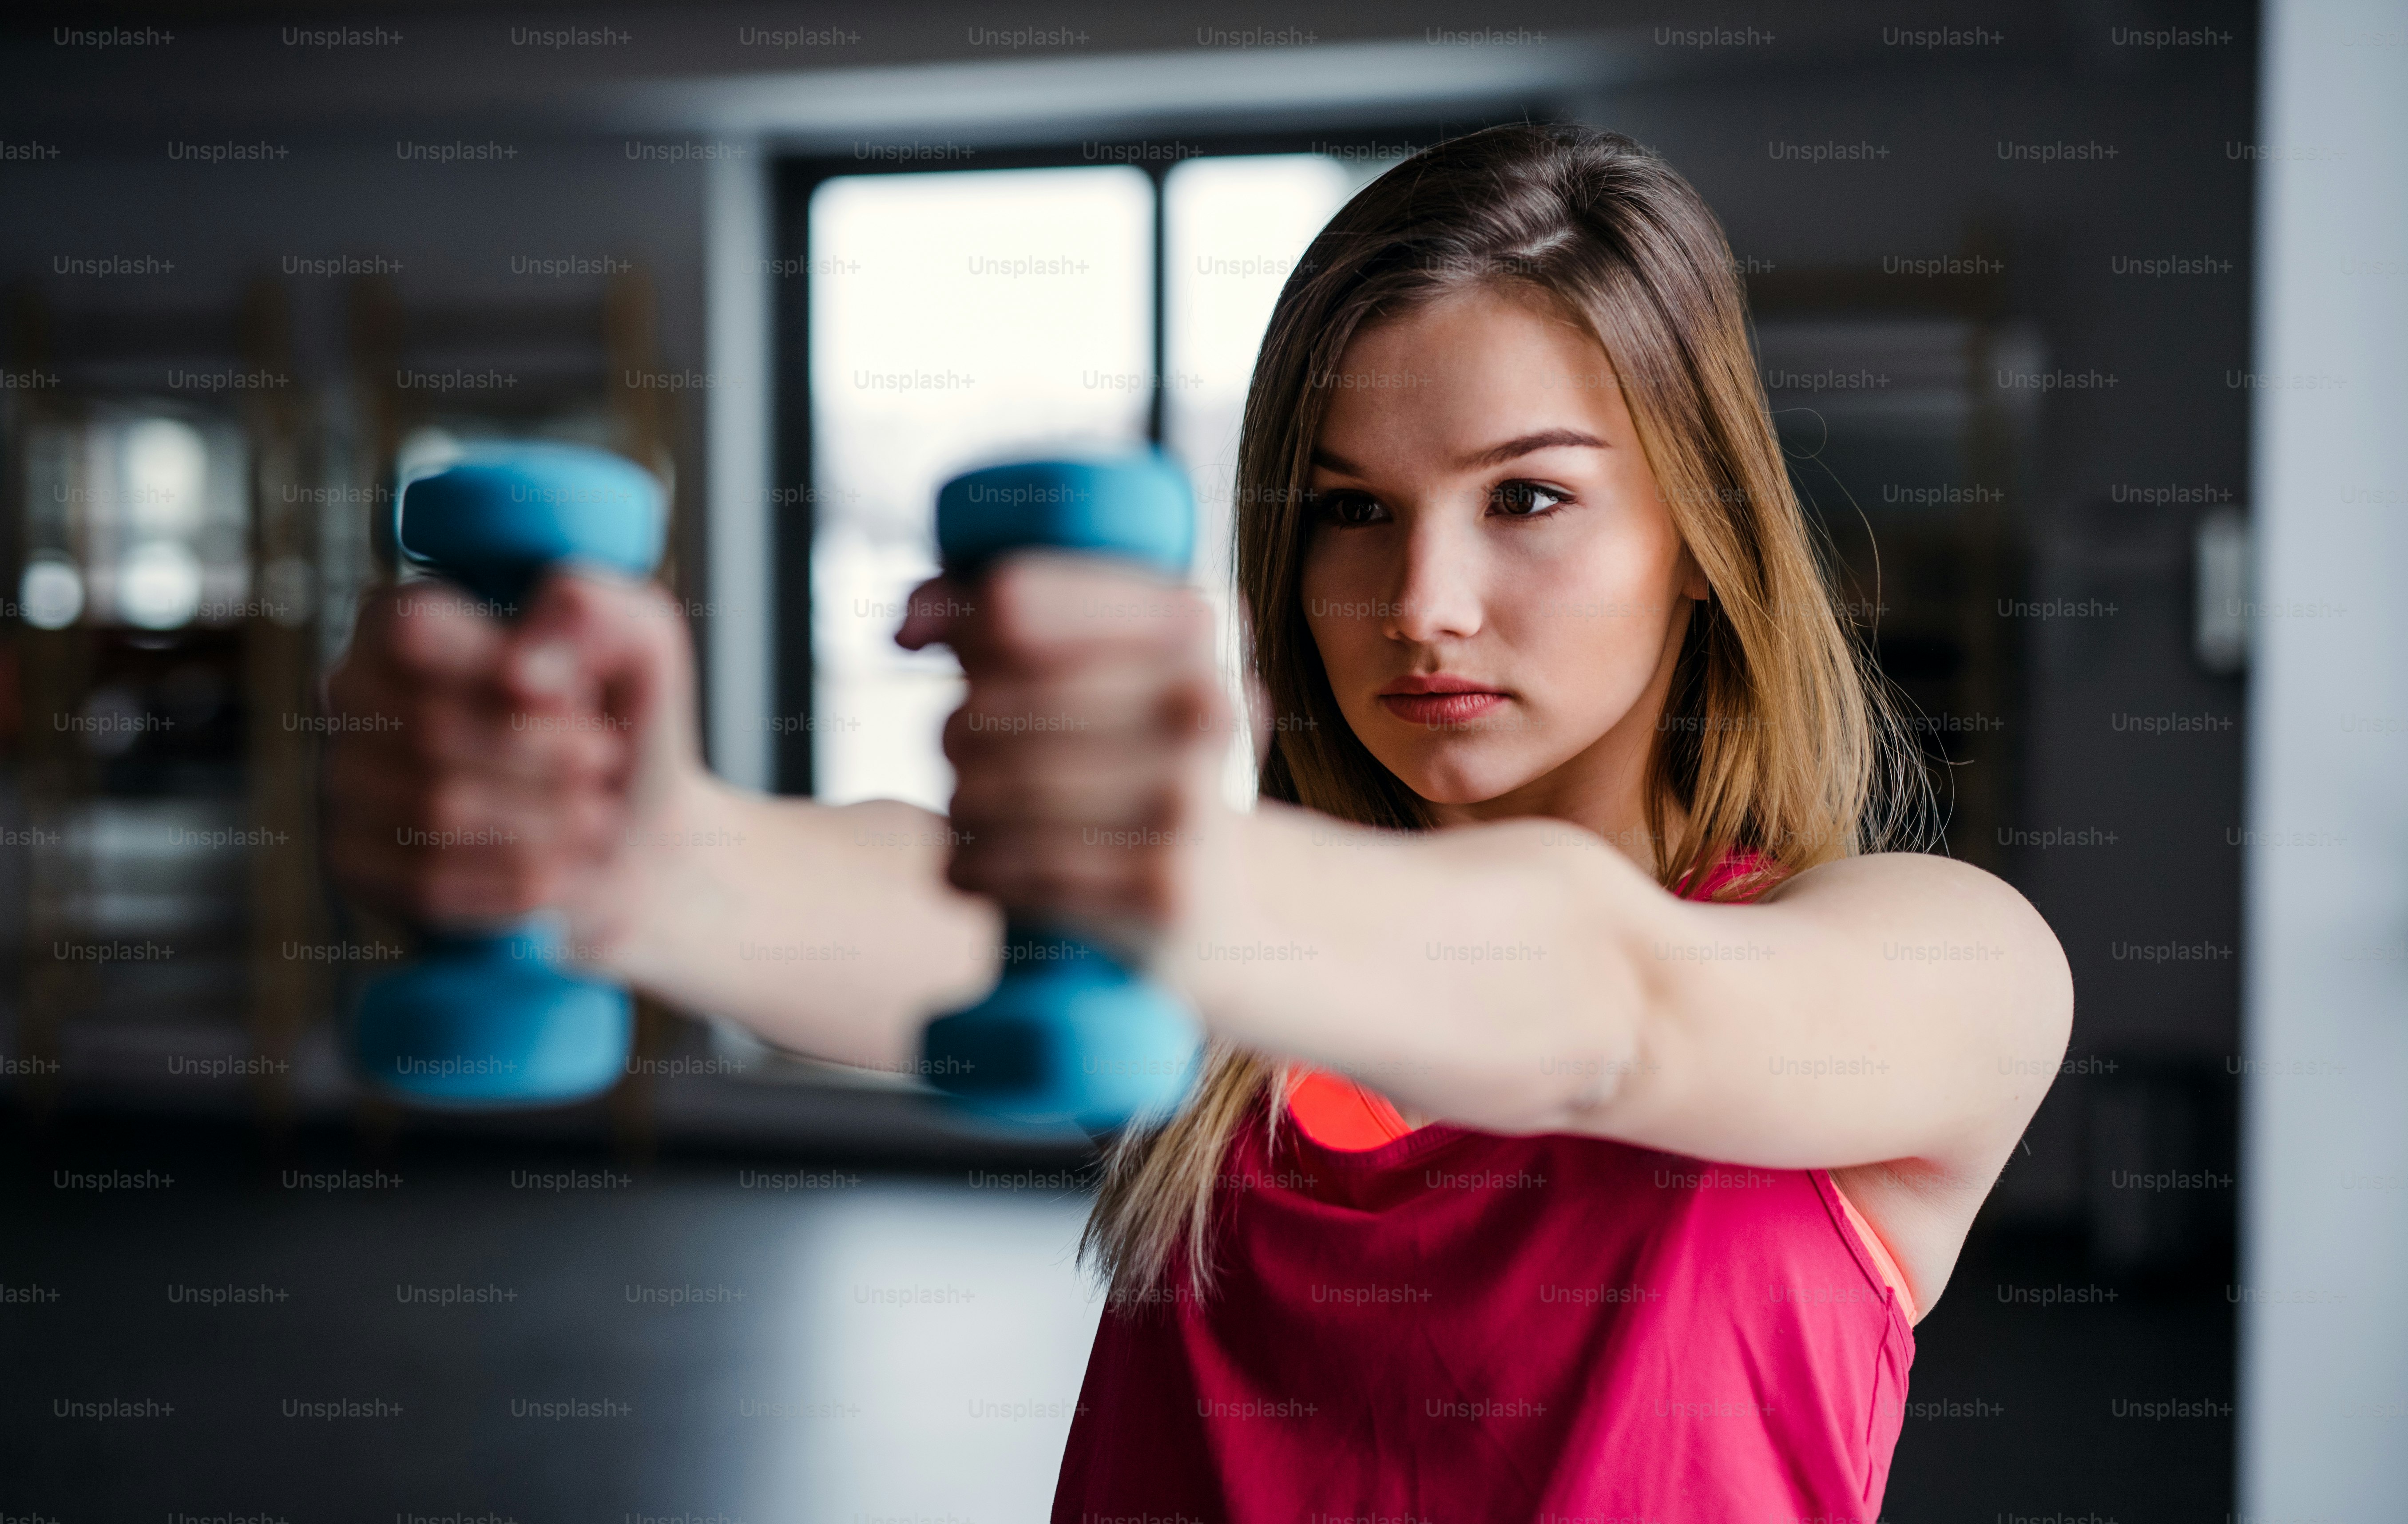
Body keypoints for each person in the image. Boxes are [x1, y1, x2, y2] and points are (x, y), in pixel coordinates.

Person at [325, 124, 2071, 1523]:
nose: (1421, 602)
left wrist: (1161, 868)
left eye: (1526, 496)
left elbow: (1614, 1010)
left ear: (1701, 531)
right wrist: (647, 862)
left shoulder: (1944, 965)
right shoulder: (1230, 992)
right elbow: (928, 915)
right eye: (1346, 512)